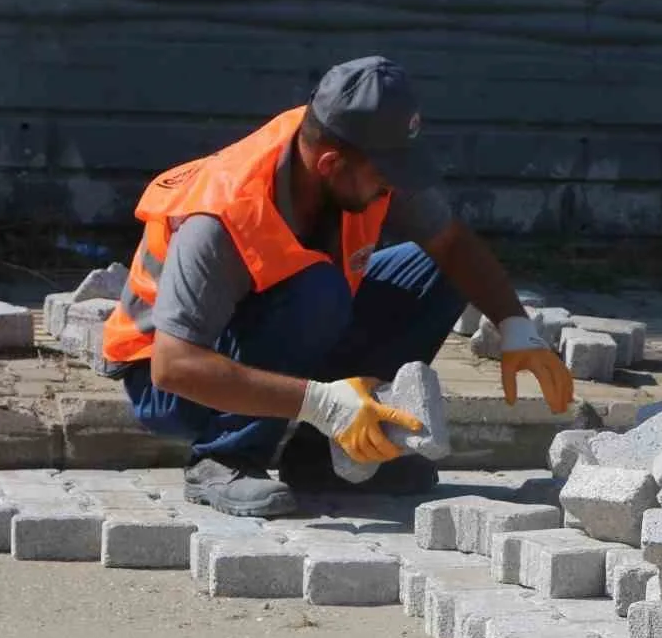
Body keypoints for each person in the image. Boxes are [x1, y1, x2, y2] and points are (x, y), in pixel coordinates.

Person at [99, 55, 572, 518]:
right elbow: (174, 366)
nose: (393, 190)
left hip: (269, 328)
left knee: (434, 269)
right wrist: (322, 403)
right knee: (317, 290)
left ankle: (321, 457)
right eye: (385, 178)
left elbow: (450, 244)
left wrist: (515, 327)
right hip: (174, 381)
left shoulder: (353, 155)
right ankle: (225, 457)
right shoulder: (221, 215)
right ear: (329, 164)